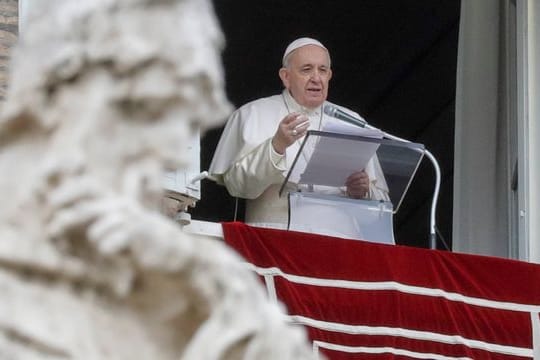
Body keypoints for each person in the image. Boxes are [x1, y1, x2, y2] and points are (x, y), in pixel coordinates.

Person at [209, 37, 389, 230]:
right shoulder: (253, 113)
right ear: (286, 76)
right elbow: (238, 186)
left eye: (322, 70)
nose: (316, 78)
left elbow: (382, 208)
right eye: (306, 69)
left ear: (329, 75)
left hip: (340, 242)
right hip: (275, 239)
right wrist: (276, 146)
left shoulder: (353, 121)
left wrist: (363, 191)